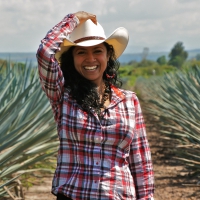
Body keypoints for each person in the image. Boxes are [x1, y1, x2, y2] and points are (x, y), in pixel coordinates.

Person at [37, 11, 154, 200]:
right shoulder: (62, 97)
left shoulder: (129, 100)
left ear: (108, 56)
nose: (90, 59)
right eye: (81, 52)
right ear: (72, 59)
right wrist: (74, 19)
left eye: (97, 51)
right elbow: (45, 52)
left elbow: (140, 162)